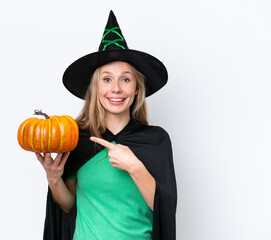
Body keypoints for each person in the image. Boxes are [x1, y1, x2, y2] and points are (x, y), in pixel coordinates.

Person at [36, 11, 177, 240]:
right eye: (107, 79)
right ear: (95, 88)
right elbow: (68, 205)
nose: (116, 89)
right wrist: (54, 178)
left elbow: (164, 209)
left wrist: (135, 167)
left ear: (137, 88)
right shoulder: (75, 138)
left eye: (126, 79)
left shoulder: (155, 140)